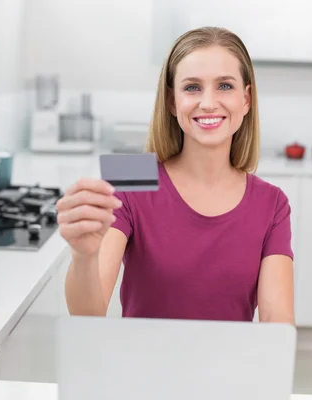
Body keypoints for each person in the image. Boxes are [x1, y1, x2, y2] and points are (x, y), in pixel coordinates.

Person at [56, 26, 295, 325]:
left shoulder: (271, 202)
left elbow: (277, 322)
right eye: (192, 87)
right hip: (142, 368)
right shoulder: (130, 176)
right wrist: (84, 257)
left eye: (225, 86)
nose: (208, 102)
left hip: (230, 369)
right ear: (172, 101)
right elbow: (87, 315)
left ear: (246, 99)